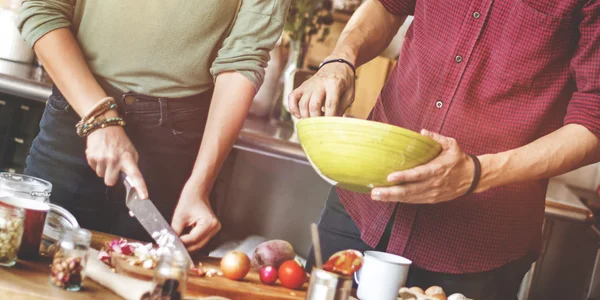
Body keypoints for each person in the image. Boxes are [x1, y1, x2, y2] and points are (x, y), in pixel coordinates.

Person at [289, 0, 599, 299]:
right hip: (362, 204)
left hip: (477, 243)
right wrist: (341, 58)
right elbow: (387, 5)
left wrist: (476, 174)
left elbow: (594, 119)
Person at [17, 0, 290, 252]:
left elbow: (243, 60)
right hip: (75, 115)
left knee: (146, 281)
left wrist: (200, 185)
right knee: (28, 262)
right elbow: (43, 8)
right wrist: (99, 116)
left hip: (175, 144)